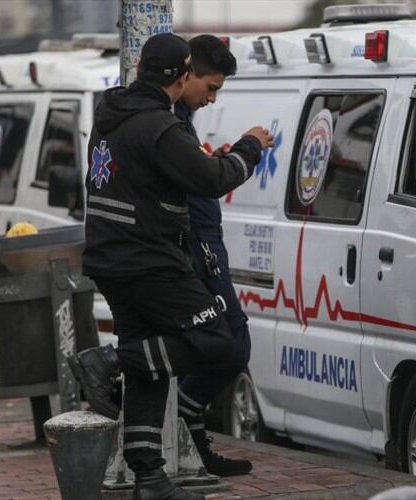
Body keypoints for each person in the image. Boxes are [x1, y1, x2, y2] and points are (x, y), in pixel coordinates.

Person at [67, 33, 273, 500]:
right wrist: (249, 147)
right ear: (182, 76)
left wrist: (199, 164)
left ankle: (150, 478)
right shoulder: (158, 126)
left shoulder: (112, 113)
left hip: (112, 257)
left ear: (141, 70)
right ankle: (107, 361)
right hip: (150, 260)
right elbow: (212, 181)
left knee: (152, 369)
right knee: (217, 342)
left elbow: (154, 175)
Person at [173, 34, 253, 478]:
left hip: (206, 241)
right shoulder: (168, 120)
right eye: (211, 87)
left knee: (220, 343)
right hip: (197, 246)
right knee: (229, 342)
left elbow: (193, 175)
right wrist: (247, 149)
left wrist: (212, 161)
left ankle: (189, 430)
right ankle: (185, 421)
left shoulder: (181, 119)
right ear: (188, 75)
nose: (212, 98)